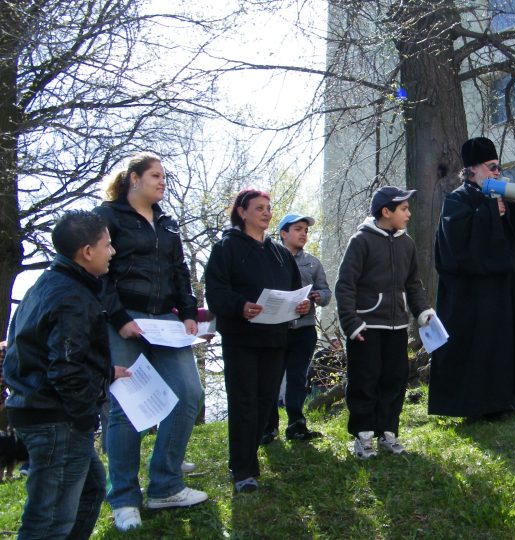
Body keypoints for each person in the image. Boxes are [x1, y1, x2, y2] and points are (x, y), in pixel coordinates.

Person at [93, 152, 207, 531]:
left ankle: (165, 485)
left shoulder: (167, 223)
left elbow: (179, 271)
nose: (163, 182)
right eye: (156, 175)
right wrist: (120, 319)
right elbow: (100, 274)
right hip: (124, 322)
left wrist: (189, 311)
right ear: (134, 179)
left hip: (165, 324)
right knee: (128, 410)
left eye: (164, 177)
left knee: (189, 394)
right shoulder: (107, 217)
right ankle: (124, 498)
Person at [3, 210, 131, 540]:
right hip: (55, 418)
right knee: (50, 519)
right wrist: (83, 417)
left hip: (42, 409)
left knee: (90, 490)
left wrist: (104, 371)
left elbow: (44, 352)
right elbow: (66, 371)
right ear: (87, 252)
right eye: (107, 244)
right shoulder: (72, 296)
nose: (112, 251)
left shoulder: (46, 284)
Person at [428, 137, 515, 419]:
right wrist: (490, 213)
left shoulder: (497, 195)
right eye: (491, 167)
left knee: (509, 341)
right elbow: (457, 246)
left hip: (504, 289)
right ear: (473, 169)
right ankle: (483, 406)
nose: (497, 172)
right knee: (482, 346)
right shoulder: (457, 199)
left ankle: (512, 396)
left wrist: (511, 209)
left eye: (498, 168)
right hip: (474, 295)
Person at [204, 189, 310, 493]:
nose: (266, 213)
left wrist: (302, 306)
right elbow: (216, 292)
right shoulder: (225, 248)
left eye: (268, 208)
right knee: (244, 402)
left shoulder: (279, 253)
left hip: (276, 338)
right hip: (242, 338)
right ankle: (243, 469)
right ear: (242, 212)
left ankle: (249, 456)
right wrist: (240, 306)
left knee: (265, 403)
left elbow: (294, 291)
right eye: (259, 208)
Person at [335, 186, 435, 458]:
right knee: (364, 381)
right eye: (403, 209)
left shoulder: (407, 244)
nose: (409, 214)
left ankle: (388, 433)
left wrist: (423, 311)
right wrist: (351, 323)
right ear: (386, 212)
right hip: (365, 330)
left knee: (395, 379)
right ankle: (363, 436)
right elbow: (345, 286)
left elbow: (413, 284)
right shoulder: (361, 241)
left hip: (397, 328)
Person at [262, 213, 332, 444]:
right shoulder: (268, 260)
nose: (303, 234)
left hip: (304, 330)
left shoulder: (313, 262)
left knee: (297, 377)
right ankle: (268, 427)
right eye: (298, 229)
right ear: (283, 233)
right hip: (275, 330)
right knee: (270, 378)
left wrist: (315, 297)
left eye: (306, 230)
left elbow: (326, 292)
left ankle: (296, 424)